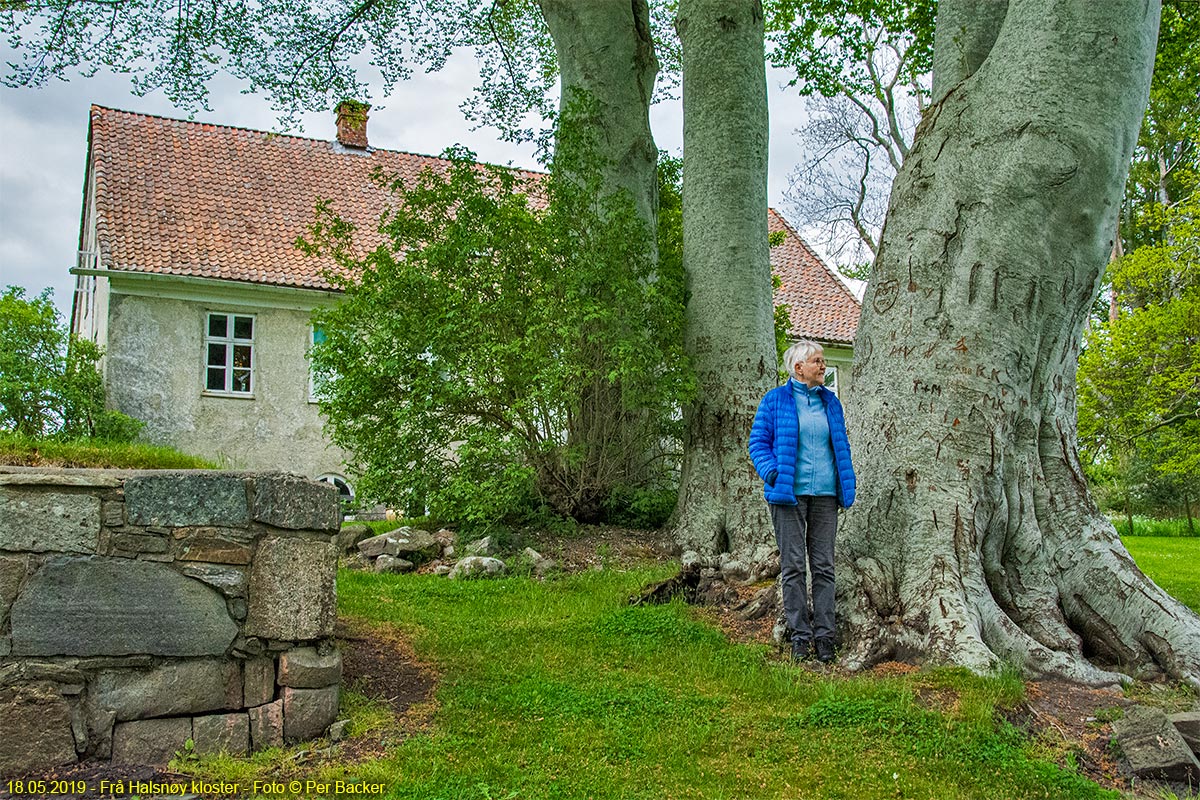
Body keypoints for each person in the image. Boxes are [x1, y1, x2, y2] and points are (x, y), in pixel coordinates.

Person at [748, 340, 856, 663]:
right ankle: (800, 637)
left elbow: (841, 445)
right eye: (818, 362)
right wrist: (771, 472)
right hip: (788, 497)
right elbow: (757, 443)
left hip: (824, 495)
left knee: (824, 567)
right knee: (793, 567)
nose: (823, 366)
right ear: (799, 368)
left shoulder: (831, 403)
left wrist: (844, 484)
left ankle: (825, 637)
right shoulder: (775, 401)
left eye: (824, 361)